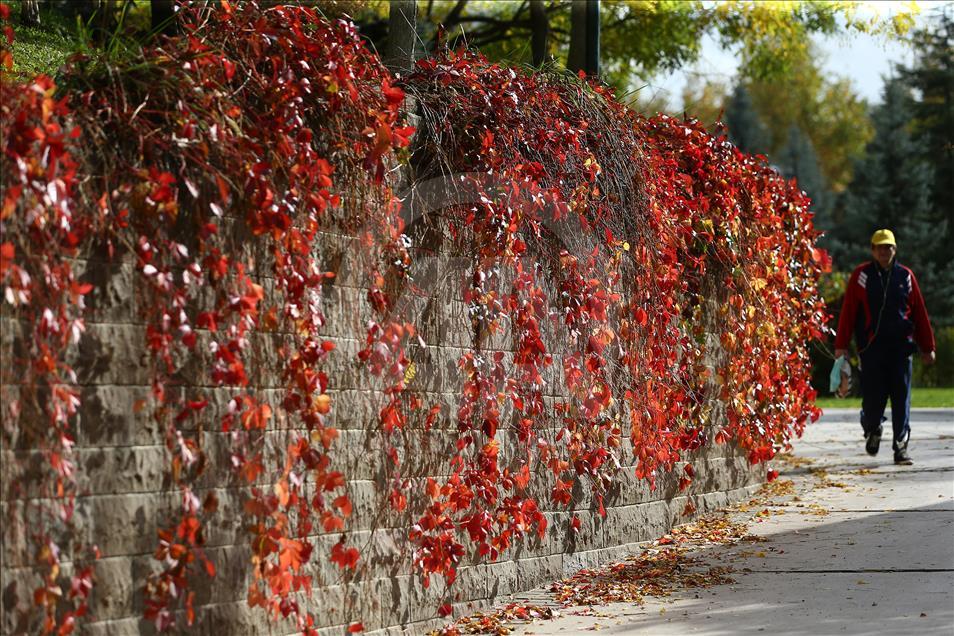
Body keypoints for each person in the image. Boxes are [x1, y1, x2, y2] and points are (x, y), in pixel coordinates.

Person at [834, 229, 936, 465]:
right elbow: (848, 312)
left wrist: (927, 346)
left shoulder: (906, 277)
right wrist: (841, 345)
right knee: (872, 400)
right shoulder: (862, 276)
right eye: (879, 247)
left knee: (902, 399)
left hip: (901, 350)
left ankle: (901, 447)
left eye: (887, 247)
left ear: (894, 249)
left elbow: (919, 313)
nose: (883, 251)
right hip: (871, 351)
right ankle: (872, 429)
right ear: (872, 250)